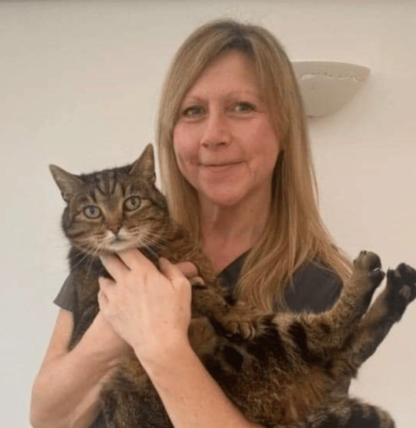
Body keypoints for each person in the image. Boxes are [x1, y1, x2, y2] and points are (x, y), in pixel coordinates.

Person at [30, 19, 376, 428]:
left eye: (242, 107)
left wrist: (160, 343)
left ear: (284, 128)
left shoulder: (324, 284)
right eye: (192, 111)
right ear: (171, 134)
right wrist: (112, 328)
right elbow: (48, 417)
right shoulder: (114, 249)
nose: (214, 135)